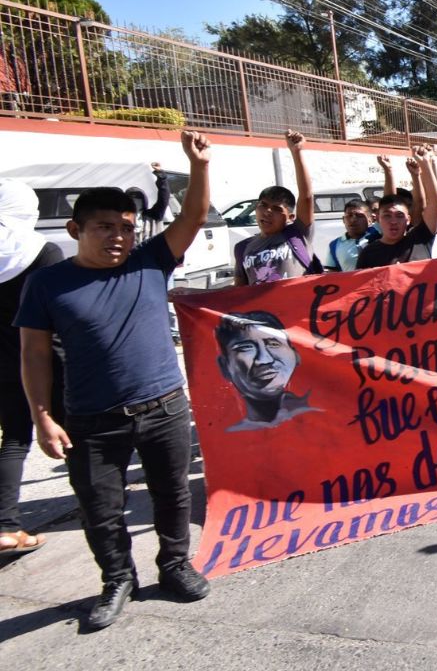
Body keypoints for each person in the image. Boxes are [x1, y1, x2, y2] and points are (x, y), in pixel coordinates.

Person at [16, 131, 215, 630]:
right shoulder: (47, 283)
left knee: (173, 496)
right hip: (91, 420)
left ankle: (174, 566)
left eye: (126, 227)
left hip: (165, 407)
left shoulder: (150, 261)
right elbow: (34, 354)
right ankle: (116, 579)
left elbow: (191, 217)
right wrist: (42, 417)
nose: (118, 237)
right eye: (105, 227)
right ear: (75, 228)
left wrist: (199, 165)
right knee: (102, 509)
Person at [0, 179, 64, 557]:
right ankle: (99, 505)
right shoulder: (40, 251)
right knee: (80, 430)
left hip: (3, 365)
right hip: (48, 362)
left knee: (14, 438)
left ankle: (6, 526)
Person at [234, 130, 319, 285]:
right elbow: (238, 292)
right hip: (261, 310)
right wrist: (197, 295)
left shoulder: (297, 235)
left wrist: (297, 152)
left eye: (277, 209)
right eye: (263, 205)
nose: (267, 212)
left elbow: (306, 197)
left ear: (291, 217)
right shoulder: (242, 248)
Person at [216, 311, 317, 432]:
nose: (264, 359)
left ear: (296, 356)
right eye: (246, 348)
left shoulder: (326, 419)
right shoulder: (229, 438)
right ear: (224, 366)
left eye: (274, 344)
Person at [357, 148, 437, 269]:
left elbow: (435, 204)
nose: (393, 221)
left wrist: (425, 163)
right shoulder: (368, 254)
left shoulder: (420, 240)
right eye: (387, 216)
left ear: (408, 219)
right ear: (378, 219)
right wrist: (388, 170)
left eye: (399, 216)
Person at [324, 199, 380, 271]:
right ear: (344, 220)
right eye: (349, 215)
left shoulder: (378, 233)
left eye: (359, 216)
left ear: (370, 220)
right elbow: (331, 273)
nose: (353, 219)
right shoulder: (334, 245)